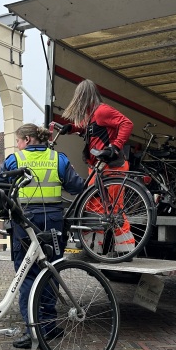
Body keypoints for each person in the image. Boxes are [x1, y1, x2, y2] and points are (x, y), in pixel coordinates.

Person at [0, 123, 85, 349]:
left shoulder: (15, 159)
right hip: (53, 220)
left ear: (26, 139)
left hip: (24, 221)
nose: (17, 145)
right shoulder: (58, 159)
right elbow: (76, 187)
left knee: (27, 275)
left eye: (18, 140)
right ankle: (48, 324)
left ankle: (32, 330)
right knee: (51, 271)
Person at [59, 78, 136, 254]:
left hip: (112, 167)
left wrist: (114, 147)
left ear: (83, 96)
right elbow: (86, 128)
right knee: (93, 207)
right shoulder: (92, 114)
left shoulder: (102, 111)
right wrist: (71, 128)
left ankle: (126, 249)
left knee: (112, 209)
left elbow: (127, 123)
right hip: (98, 168)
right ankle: (94, 248)